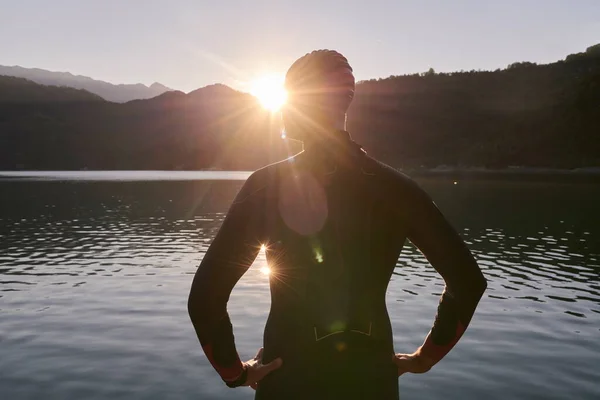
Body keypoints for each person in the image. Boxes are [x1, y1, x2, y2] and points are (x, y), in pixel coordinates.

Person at [188, 50, 487, 399]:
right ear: (346, 100)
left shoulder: (265, 186)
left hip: (290, 380)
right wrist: (425, 359)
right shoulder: (396, 188)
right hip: (371, 380)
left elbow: (205, 299)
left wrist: (235, 374)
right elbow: (467, 282)